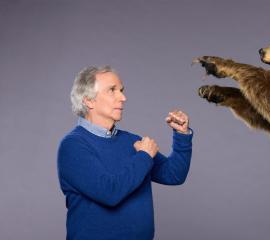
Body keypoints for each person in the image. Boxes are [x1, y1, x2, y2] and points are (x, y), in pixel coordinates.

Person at [57, 66, 193, 240]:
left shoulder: (131, 141)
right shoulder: (73, 146)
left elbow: (174, 175)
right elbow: (109, 193)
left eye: (121, 90)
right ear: (88, 101)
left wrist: (182, 135)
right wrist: (144, 156)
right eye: (112, 90)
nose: (123, 97)